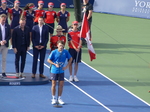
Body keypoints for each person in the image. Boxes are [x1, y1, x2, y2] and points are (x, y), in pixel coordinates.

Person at [47, 40, 72, 105]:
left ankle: (59, 98)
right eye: (60, 45)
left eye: (62, 46)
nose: (61, 47)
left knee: (61, 85)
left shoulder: (65, 52)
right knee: (54, 84)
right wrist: (54, 64)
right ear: (57, 45)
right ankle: (53, 98)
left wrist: (67, 66)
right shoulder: (54, 52)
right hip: (54, 70)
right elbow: (48, 60)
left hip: (61, 71)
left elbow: (71, 58)